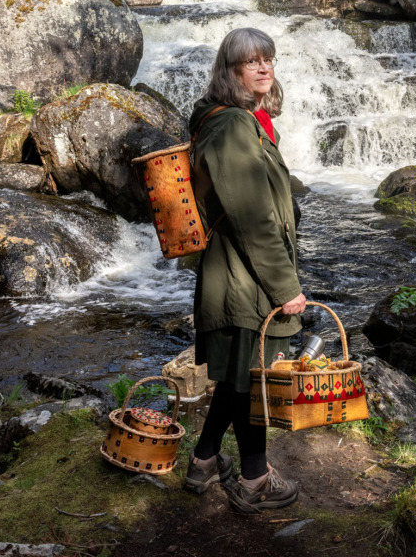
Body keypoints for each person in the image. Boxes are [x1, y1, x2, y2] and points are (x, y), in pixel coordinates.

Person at [183, 26, 305, 514]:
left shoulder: (242, 121)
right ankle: (254, 480)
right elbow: (252, 218)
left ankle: (204, 460)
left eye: (267, 58)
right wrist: (286, 288)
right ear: (230, 70)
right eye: (249, 61)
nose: (263, 67)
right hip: (242, 277)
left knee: (238, 376)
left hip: (237, 273)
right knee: (252, 377)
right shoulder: (232, 126)